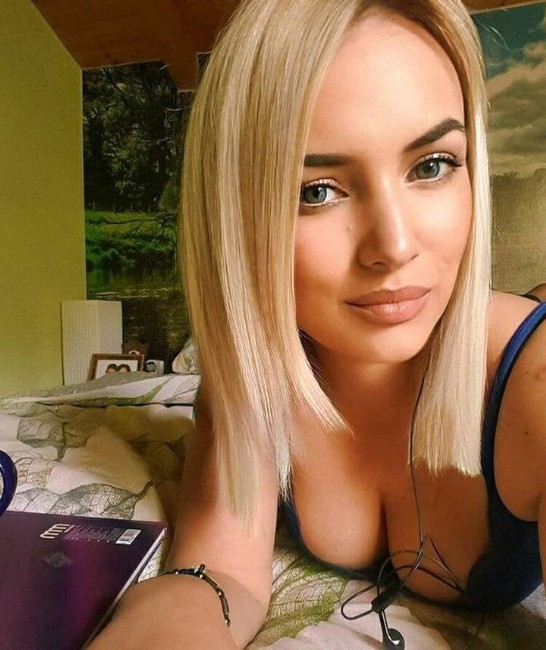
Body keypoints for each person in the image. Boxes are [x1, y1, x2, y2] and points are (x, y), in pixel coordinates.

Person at [90, 0, 546, 648]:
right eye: (317, 191)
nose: (394, 247)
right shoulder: (253, 378)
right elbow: (219, 574)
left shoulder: (535, 387)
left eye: (432, 165)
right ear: (238, 217)